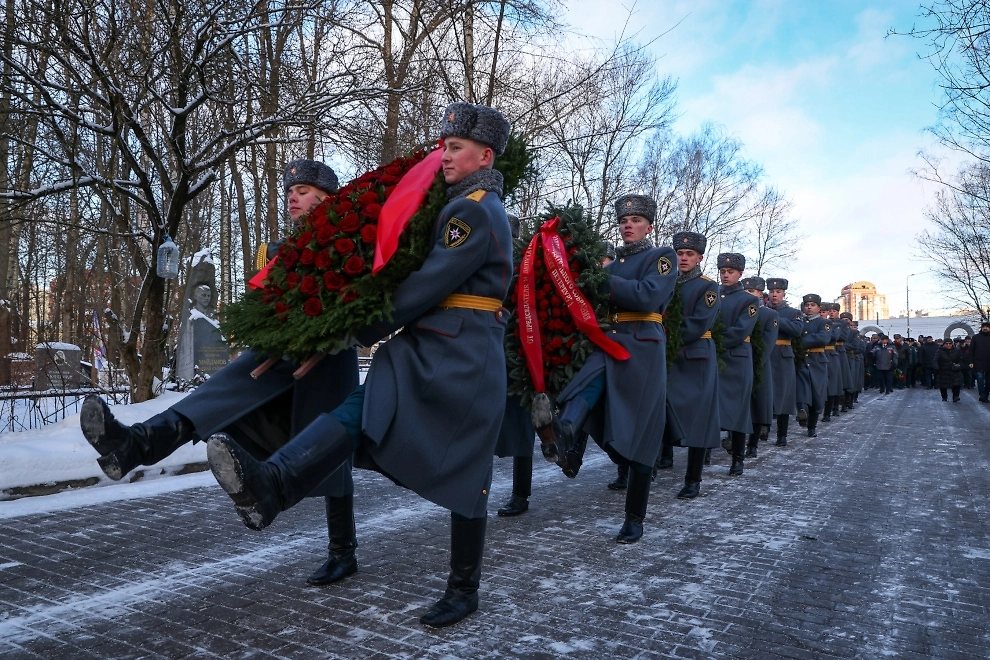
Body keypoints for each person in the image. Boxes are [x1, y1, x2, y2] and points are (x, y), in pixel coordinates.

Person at [207, 102, 513, 628]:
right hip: (431, 345)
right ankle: (274, 484)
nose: (445, 156)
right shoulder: (454, 205)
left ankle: (464, 589)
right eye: (443, 146)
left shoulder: (475, 210)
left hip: (462, 353)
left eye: (456, 148)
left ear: (484, 155)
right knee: (360, 409)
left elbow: (429, 282)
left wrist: (358, 324)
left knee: (468, 471)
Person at [80, 159, 362, 588]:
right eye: (290, 190)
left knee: (328, 451)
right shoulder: (276, 251)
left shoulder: (348, 243)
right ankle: (135, 444)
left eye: (303, 190)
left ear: (327, 198)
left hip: (328, 354)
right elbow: (262, 305)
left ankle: (343, 552)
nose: (292, 196)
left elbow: (362, 301)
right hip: (278, 351)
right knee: (220, 391)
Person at [531, 193, 677, 543]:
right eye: (624, 221)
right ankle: (563, 431)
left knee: (641, 433)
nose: (628, 225)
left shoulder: (662, 257)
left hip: (643, 344)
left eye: (636, 221)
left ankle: (634, 517)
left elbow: (647, 297)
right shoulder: (609, 267)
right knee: (587, 384)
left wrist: (603, 281)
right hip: (610, 339)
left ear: (648, 226)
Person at [660, 231, 721, 498]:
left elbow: (698, 323)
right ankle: (651, 465)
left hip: (695, 356)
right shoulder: (664, 282)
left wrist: (662, 335)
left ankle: (693, 479)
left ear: (699, 258)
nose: (683, 258)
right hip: (664, 355)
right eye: (679, 253)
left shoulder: (708, 286)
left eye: (689, 254)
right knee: (659, 412)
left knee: (699, 419)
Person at [714, 254, 758, 475]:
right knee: (710, 408)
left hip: (737, 359)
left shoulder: (749, 300)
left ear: (740, 273)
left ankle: (738, 458)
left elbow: (741, 331)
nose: (725, 275)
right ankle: (702, 455)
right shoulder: (713, 295)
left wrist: (712, 341)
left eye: (730, 272)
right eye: (722, 271)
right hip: (714, 359)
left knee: (738, 411)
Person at [742, 276, 777, 458]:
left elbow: (768, 343)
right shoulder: (740, 310)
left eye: (751, 291)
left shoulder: (769, 315)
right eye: (745, 291)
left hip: (758, 365)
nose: (747, 294)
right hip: (739, 362)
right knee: (738, 404)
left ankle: (753, 444)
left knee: (757, 406)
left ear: (759, 293)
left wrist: (756, 363)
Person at [766, 278, 803, 447]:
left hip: (783, 356)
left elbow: (796, 330)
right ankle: (762, 430)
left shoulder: (792, 312)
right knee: (764, 395)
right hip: (765, 354)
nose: (774, 295)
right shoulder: (761, 310)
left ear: (784, 293)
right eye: (772, 292)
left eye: (778, 292)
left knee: (784, 396)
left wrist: (773, 317)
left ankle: (782, 434)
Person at [796, 294, 830, 438]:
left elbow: (823, 338)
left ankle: (812, 426)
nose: (809, 307)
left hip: (817, 361)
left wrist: (800, 342)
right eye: (807, 305)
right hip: (801, 359)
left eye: (812, 305)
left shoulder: (823, 323)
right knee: (801, 388)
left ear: (819, 307)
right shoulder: (799, 321)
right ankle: (801, 411)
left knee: (817, 395)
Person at [969, 321, 990, 402]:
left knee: (988, 382)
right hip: (978, 363)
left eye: (987, 326)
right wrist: (971, 361)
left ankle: (986, 395)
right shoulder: (976, 337)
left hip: (989, 363)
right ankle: (982, 395)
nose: (985, 328)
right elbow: (971, 350)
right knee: (980, 380)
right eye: (984, 326)